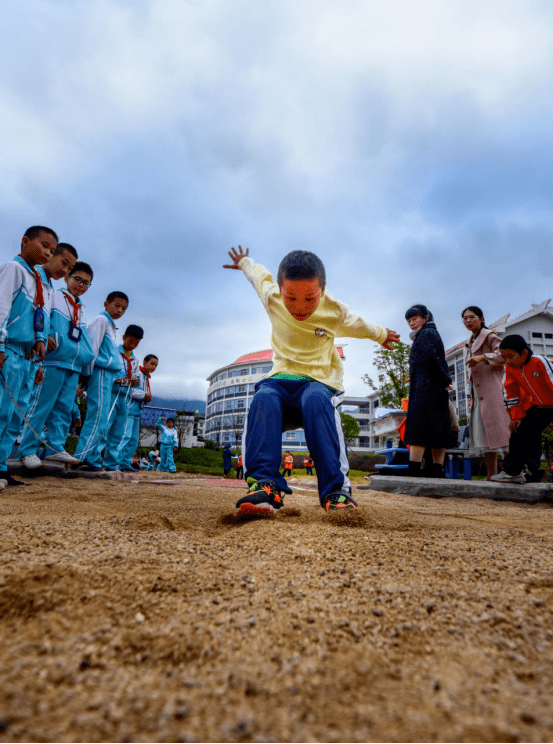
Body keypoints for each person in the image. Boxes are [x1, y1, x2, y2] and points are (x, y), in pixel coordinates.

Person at [223, 245, 399, 515]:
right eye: (291, 298)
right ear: (281, 289)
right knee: (263, 397)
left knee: (316, 399)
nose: (299, 308)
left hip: (317, 383)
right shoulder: (271, 298)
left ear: (323, 290)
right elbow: (258, 275)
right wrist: (244, 261)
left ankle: (336, 492)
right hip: (280, 381)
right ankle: (264, 485)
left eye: (310, 299)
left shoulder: (334, 312)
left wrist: (382, 335)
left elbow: (360, 325)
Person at [19, 260, 94, 469]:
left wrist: (84, 358)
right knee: (41, 405)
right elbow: (40, 315)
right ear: (68, 276)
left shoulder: (81, 310)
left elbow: (84, 339)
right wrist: (44, 336)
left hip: (73, 365)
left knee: (63, 408)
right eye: (77, 279)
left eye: (86, 283)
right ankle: (27, 450)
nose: (80, 285)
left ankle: (55, 448)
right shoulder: (55, 296)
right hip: (52, 360)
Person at [0, 225, 58, 488]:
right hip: (9, 350)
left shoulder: (38, 281)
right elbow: (2, 308)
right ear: (25, 242)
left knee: (15, 416)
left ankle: (2, 467)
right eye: (44, 245)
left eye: (52, 250)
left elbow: (37, 317)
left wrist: (40, 342)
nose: (48, 252)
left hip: (27, 356)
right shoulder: (13, 270)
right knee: (2, 411)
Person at [74, 292, 128, 471]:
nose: (120, 310)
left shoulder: (112, 327)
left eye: (124, 308)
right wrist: (86, 376)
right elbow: (92, 348)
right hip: (100, 372)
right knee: (97, 417)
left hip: (109, 375)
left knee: (102, 419)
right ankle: (83, 457)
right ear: (106, 304)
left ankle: (93, 458)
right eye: (117, 305)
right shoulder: (101, 321)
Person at [490, 335, 553, 484]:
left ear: (524, 353)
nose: (508, 361)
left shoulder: (539, 361)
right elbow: (510, 392)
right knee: (520, 432)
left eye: (511, 356)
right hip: (538, 406)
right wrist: (516, 415)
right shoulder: (510, 368)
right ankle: (515, 472)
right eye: (504, 358)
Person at [461, 306, 511, 479]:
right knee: (485, 435)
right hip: (477, 394)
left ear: (481, 318)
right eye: (465, 318)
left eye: (471, 317)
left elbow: (504, 355)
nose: (468, 321)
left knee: (501, 432)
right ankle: (492, 475)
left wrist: (483, 357)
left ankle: (514, 471)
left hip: (492, 391)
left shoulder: (489, 335)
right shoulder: (470, 340)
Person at [404, 304, 451, 478]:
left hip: (426, 389)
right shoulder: (425, 334)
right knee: (436, 428)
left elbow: (432, 358)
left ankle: (415, 469)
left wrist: (445, 379)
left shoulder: (427, 334)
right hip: (429, 387)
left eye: (415, 319)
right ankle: (436, 470)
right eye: (409, 321)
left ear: (426, 318)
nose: (411, 323)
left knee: (419, 427)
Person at [98, 324, 144, 471]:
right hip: (112, 393)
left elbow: (135, 376)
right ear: (123, 338)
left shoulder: (135, 360)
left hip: (125, 398)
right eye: (131, 342)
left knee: (118, 432)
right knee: (104, 428)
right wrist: (118, 380)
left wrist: (134, 380)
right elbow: (108, 371)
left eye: (136, 343)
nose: (133, 345)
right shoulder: (114, 352)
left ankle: (111, 464)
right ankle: (93, 459)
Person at [119, 353, 158, 472]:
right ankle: (115, 461)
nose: (154, 367)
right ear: (144, 363)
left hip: (137, 412)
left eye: (156, 365)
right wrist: (144, 395)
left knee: (134, 440)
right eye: (152, 364)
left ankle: (126, 463)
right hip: (129, 409)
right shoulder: (138, 374)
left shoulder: (146, 378)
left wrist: (146, 398)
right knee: (125, 436)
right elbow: (131, 390)